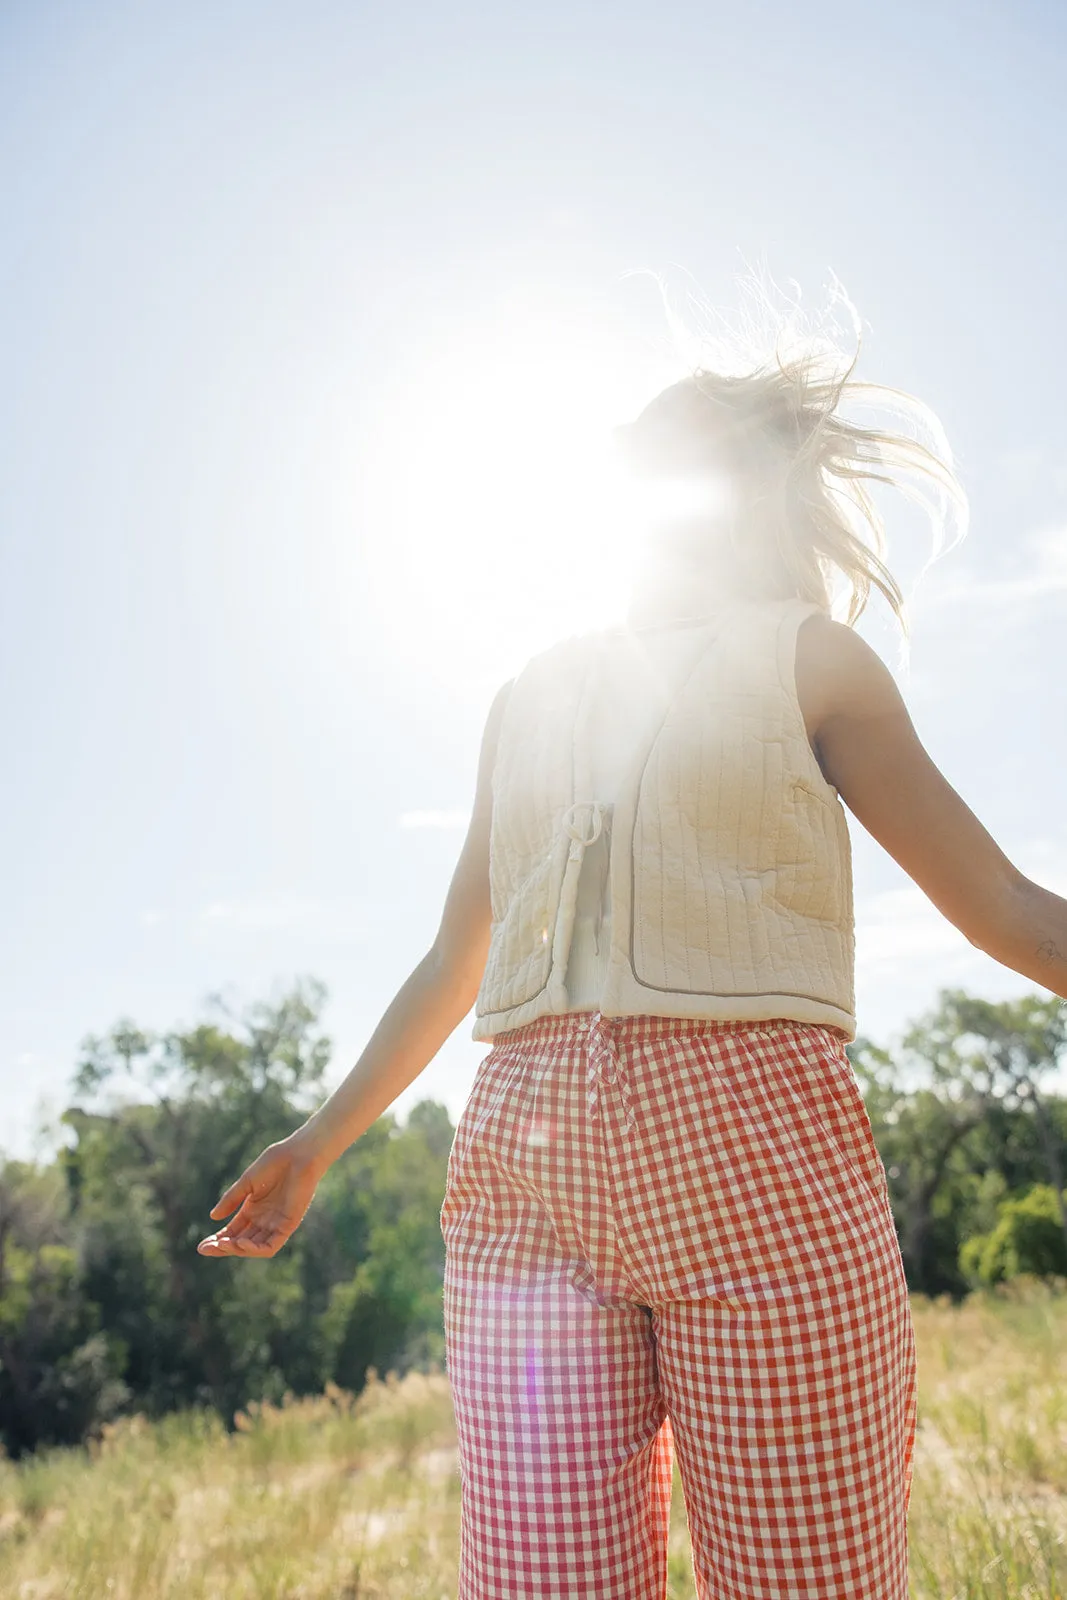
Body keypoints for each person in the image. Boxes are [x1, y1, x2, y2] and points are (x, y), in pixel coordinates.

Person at [197, 308, 1067, 1600]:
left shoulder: (810, 661)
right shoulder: (525, 693)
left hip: (761, 1168)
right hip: (524, 1179)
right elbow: (454, 955)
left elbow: (992, 896)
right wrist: (317, 1141)